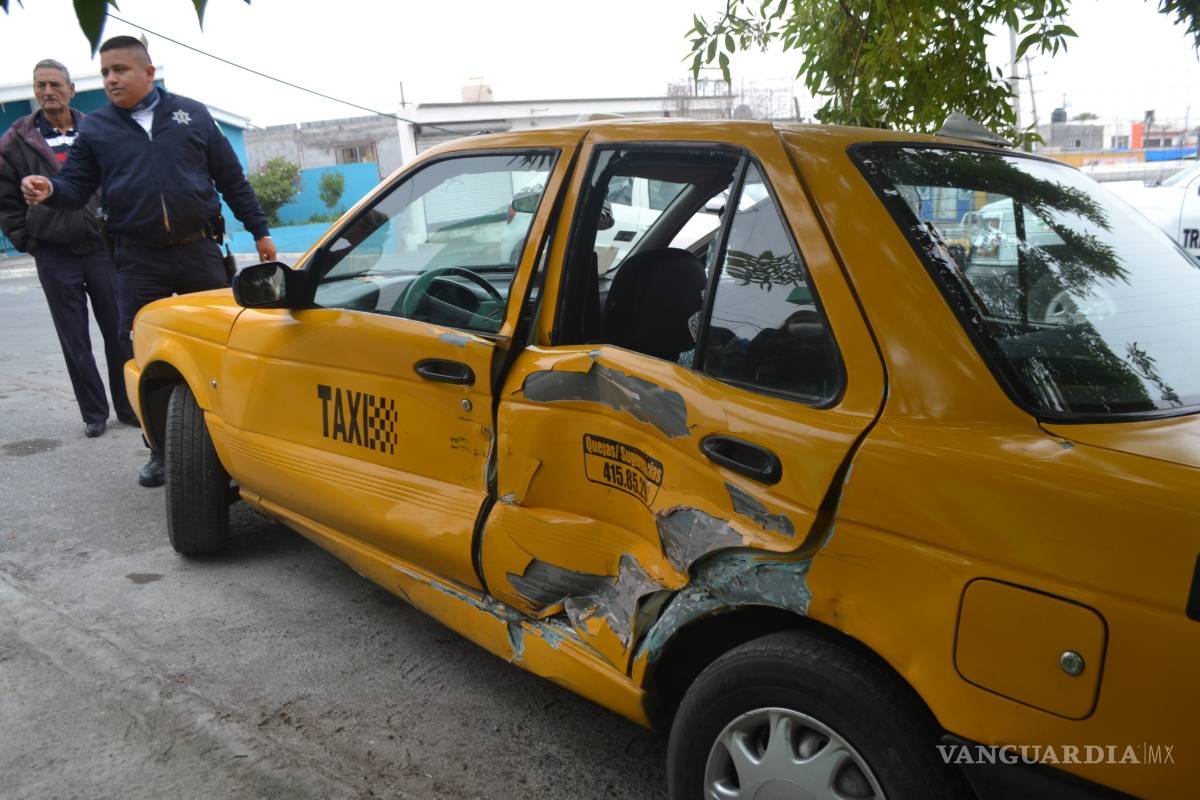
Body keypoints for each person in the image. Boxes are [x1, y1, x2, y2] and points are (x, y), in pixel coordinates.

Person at [21, 36, 277, 488]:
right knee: (140, 350)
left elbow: (230, 178)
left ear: (148, 73)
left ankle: (236, 445)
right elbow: (77, 186)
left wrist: (260, 231)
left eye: (119, 70)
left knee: (222, 344)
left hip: (198, 250)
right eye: (104, 72)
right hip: (136, 259)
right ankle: (160, 449)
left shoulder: (192, 115)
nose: (111, 79)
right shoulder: (97, 129)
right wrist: (51, 190)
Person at [0, 58, 136, 439]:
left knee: (119, 331)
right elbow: (6, 199)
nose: (47, 92)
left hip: (101, 247)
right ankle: (94, 413)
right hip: (54, 253)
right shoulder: (16, 140)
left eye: (54, 85)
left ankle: (127, 407)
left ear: (71, 89)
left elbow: (121, 179)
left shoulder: (96, 130)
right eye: (40, 85)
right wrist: (28, 239)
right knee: (73, 337)